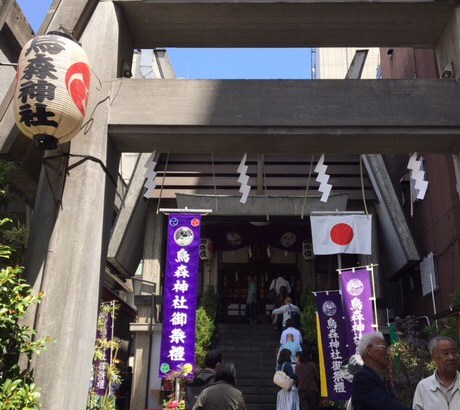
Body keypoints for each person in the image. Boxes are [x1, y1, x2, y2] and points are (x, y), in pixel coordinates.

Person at [351, 332, 411, 410]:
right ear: (369, 350)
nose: (389, 352)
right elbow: (385, 405)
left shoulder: (381, 376)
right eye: (384, 347)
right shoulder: (363, 377)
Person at [413, 335, 460, 409]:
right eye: (445, 353)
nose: (451, 357)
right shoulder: (423, 387)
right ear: (433, 357)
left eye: (453, 352)